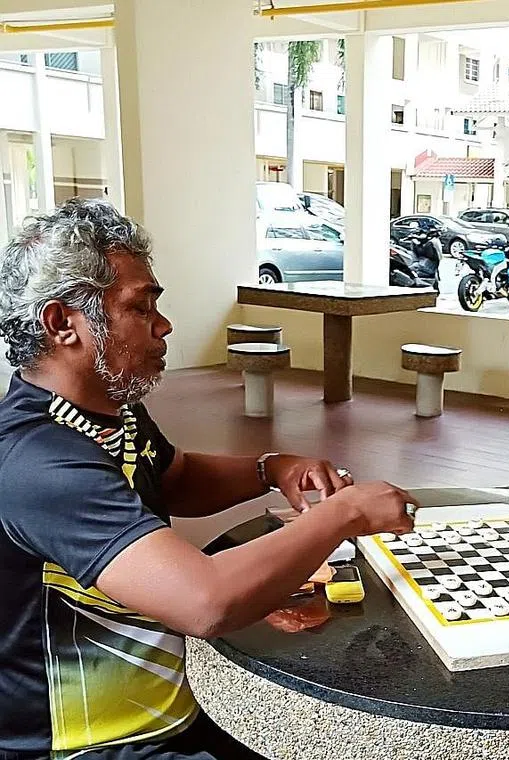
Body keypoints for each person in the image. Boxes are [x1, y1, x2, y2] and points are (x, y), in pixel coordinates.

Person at [0, 199, 417, 759]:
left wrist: (270, 468)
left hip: (171, 707)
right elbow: (207, 601)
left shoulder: (108, 411)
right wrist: (346, 514)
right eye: (140, 306)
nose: (163, 325)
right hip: (91, 744)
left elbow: (174, 478)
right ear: (61, 324)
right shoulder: (38, 461)